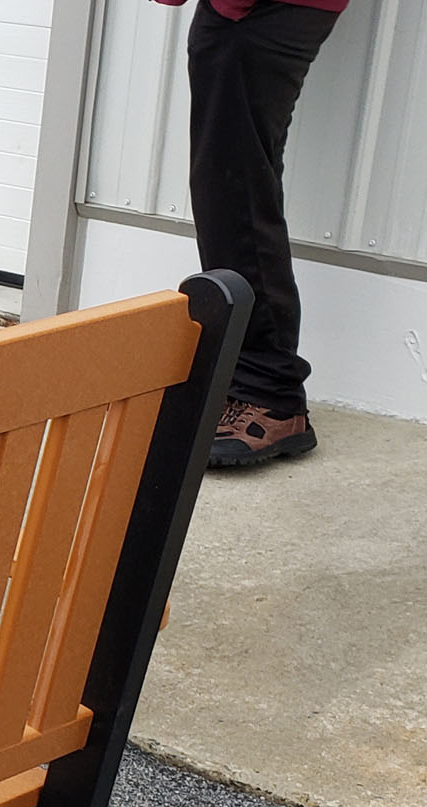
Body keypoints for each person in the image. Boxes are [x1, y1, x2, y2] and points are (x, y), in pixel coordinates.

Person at [159, 0, 346, 466]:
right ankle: (251, 380)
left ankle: (272, 395)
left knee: (235, 194)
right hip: (247, 11)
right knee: (230, 188)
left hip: (256, 11)